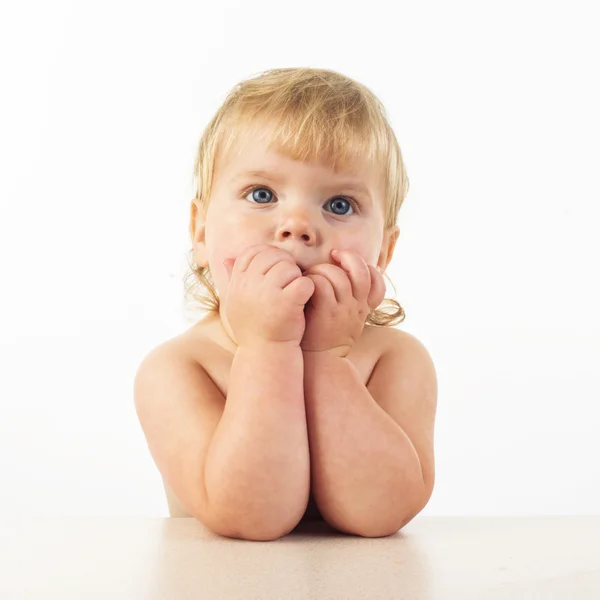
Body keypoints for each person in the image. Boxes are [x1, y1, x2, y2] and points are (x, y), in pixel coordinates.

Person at [133, 67, 438, 541]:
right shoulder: (178, 368)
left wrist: (325, 359)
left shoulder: (394, 360)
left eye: (339, 205)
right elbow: (249, 517)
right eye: (262, 195)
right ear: (200, 231)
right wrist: (267, 349)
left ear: (383, 251)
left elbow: (382, 514)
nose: (296, 226)